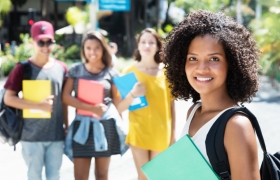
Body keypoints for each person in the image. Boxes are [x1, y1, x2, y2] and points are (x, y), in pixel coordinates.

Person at [164, 10, 260, 179]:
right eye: (193, 58)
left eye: (214, 59)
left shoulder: (237, 125)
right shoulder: (193, 111)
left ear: (231, 63)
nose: (201, 68)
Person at [3, 21, 68, 180]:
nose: (45, 46)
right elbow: (8, 98)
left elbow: (63, 101)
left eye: (49, 42)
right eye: (41, 42)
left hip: (56, 135)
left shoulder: (62, 68)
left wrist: (66, 125)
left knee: (55, 176)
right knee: (34, 176)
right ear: (32, 42)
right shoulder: (22, 68)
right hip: (31, 136)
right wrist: (39, 106)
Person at [62, 31, 128, 180]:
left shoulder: (112, 72)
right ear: (83, 50)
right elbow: (65, 97)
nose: (92, 52)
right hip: (81, 126)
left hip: (105, 127)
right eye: (88, 48)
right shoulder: (76, 70)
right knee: (80, 176)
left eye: (97, 48)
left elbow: (117, 102)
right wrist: (91, 108)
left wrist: (122, 126)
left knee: (102, 175)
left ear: (103, 49)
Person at [116, 28, 176, 180]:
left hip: (161, 133)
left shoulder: (166, 73)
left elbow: (171, 106)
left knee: (157, 177)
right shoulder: (129, 71)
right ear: (138, 46)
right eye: (143, 42)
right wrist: (133, 94)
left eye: (151, 42)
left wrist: (173, 135)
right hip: (138, 132)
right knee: (143, 177)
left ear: (157, 46)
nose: (147, 46)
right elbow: (119, 108)